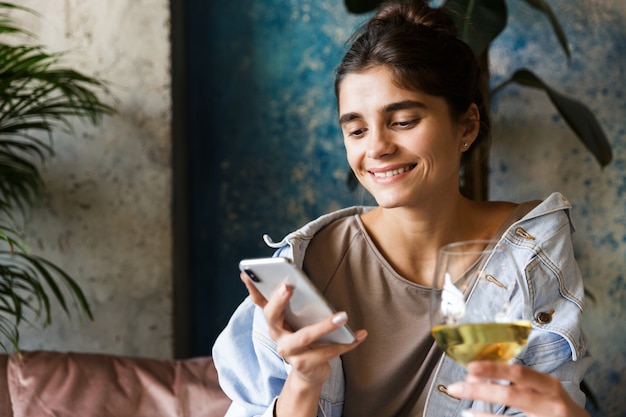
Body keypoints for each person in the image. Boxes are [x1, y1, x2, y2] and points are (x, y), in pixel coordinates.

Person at [212, 0, 592, 416]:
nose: (376, 147)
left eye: (403, 121)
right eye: (356, 130)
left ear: (466, 125)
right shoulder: (307, 263)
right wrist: (304, 379)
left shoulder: (529, 248)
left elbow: (550, 401)